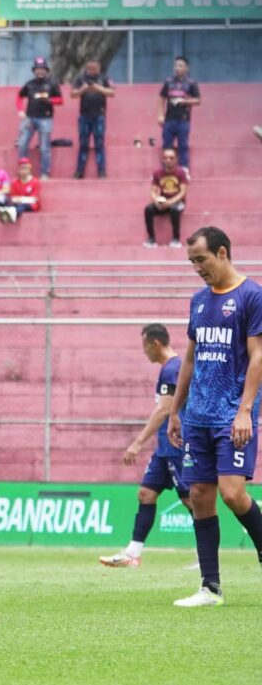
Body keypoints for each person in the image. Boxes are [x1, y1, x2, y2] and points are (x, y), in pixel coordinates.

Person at [166, 227, 262, 607]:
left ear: (222, 253)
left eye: (201, 260)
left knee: (233, 493)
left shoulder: (251, 296)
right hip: (198, 416)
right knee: (201, 496)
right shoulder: (198, 301)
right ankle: (210, 588)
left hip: (231, 416)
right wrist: (176, 410)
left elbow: (258, 356)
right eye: (191, 262)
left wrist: (244, 411)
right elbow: (189, 357)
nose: (196, 268)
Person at [100, 323, 191, 568]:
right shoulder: (168, 368)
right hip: (163, 448)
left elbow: (163, 410)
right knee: (146, 494)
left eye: (145, 347)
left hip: (176, 445)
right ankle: (133, 553)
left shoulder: (173, 368)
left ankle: (205, 557)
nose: (144, 352)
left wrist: (138, 443)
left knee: (191, 500)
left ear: (156, 344)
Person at [15, 57, 62, 179]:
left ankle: (45, 173)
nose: (40, 71)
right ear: (34, 70)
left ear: (46, 70)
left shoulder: (52, 83)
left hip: (45, 119)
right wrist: (20, 110)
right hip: (30, 117)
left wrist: (49, 100)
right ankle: (23, 172)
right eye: (37, 69)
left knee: (44, 147)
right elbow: (19, 97)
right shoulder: (30, 84)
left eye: (42, 69)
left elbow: (60, 100)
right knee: (22, 144)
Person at [72, 59, 114, 179]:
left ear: (99, 68)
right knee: (83, 144)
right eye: (90, 69)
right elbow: (73, 94)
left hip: (99, 116)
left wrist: (98, 88)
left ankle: (101, 171)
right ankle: (79, 171)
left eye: (95, 69)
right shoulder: (81, 78)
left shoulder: (104, 78)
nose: (92, 71)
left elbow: (112, 92)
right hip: (84, 116)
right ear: (87, 68)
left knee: (99, 145)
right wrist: (83, 90)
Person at [159, 55, 200, 172]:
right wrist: (160, 114)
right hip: (169, 119)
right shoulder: (168, 81)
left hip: (183, 119)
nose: (177, 68)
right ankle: (165, 171)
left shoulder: (191, 83)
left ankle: (184, 170)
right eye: (176, 65)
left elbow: (198, 100)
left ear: (187, 68)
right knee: (167, 145)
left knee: (183, 146)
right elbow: (161, 97)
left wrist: (184, 101)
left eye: (180, 66)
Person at [144, 148, 189, 248]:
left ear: (176, 159)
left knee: (174, 209)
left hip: (178, 202)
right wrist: (156, 201)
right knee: (148, 209)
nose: (168, 160)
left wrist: (170, 202)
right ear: (162, 159)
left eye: (171, 158)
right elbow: (153, 190)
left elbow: (183, 192)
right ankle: (151, 239)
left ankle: (176, 239)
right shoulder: (157, 173)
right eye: (165, 158)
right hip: (163, 202)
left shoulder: (181, 173)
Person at [0, 157, 42, 224]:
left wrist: (21, 199)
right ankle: (6, 213)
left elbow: (34, 199)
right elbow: (13, 198)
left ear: (29, 169)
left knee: (22, 206)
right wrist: (16, 200)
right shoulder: (14, 182)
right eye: (21, 168)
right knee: (7, 201)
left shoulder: (35, 182)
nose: (23, 170)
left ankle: (11, 215)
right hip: (17, 203)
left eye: (25, 168)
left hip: (31, 205)